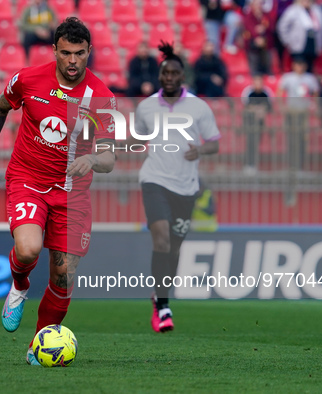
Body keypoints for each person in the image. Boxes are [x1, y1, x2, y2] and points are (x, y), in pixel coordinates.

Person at [0, 17, 116, 365]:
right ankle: (19, 285)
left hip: (72, 192)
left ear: (89, 52)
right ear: (54, 50)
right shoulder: (27, 79)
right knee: (27, 249)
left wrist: (93, 161)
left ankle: (37, 346)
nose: (72, 61)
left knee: (64, 275)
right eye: (65, 53)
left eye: (79, 54)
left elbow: (111, 155)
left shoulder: (102, 97)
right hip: (28, 178)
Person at [133, 42, 220, 333]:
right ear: (160, 76)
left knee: (175, 250)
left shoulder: (199, 107)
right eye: (164, 73)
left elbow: (215, 143)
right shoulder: (145, 107)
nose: (169, 77)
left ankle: (160, 294)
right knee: (161, 240)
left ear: (183, 77)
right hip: (154, 180)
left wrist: (201, 151)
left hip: (186, 187)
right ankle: (163, 306)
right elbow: (138, 137)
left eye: (174, 73)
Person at [276, 56, 319, 170]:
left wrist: (313, 105)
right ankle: (291, 164)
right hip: (291, 111)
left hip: (304, 112)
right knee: (291, 138)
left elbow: (315, 93)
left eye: (302, 65)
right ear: (293, 65)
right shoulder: (288, 78)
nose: (300, 67)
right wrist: (282, 106)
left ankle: (301, 164)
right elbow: (279, 92)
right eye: (298, 64)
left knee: (303, 138)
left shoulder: (310, 78)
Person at [277, 0, 322, 73]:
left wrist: (321, 43)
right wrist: (287, 41)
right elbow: (282, 26)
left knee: (309, 68)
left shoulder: (316, 10)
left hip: (312, 44)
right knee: (298, 67)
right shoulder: (293, 10)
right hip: (298, 45)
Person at [241, 75, 272, 173]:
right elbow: (246, 106)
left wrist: (261, 110)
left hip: (260, 123)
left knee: (256, 143)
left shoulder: (266, 93)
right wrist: (256, 110)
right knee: (250, 143)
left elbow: (269, 107)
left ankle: (254, 164)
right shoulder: (248, 92)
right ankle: (249, 164)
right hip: (250, 122)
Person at [242, 0, 275, 75]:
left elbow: (271, 26)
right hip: (252, 44)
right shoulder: (248, 16)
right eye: (256, 4)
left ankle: (268, 73)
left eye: (260, 4)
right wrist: (257, 37)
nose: (258, 6)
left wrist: (264, 28)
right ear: (252, 5)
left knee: (267, 58)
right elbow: (249, 28)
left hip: (266, 43)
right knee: (255, 63)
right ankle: (255, 75)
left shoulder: (266, 15)